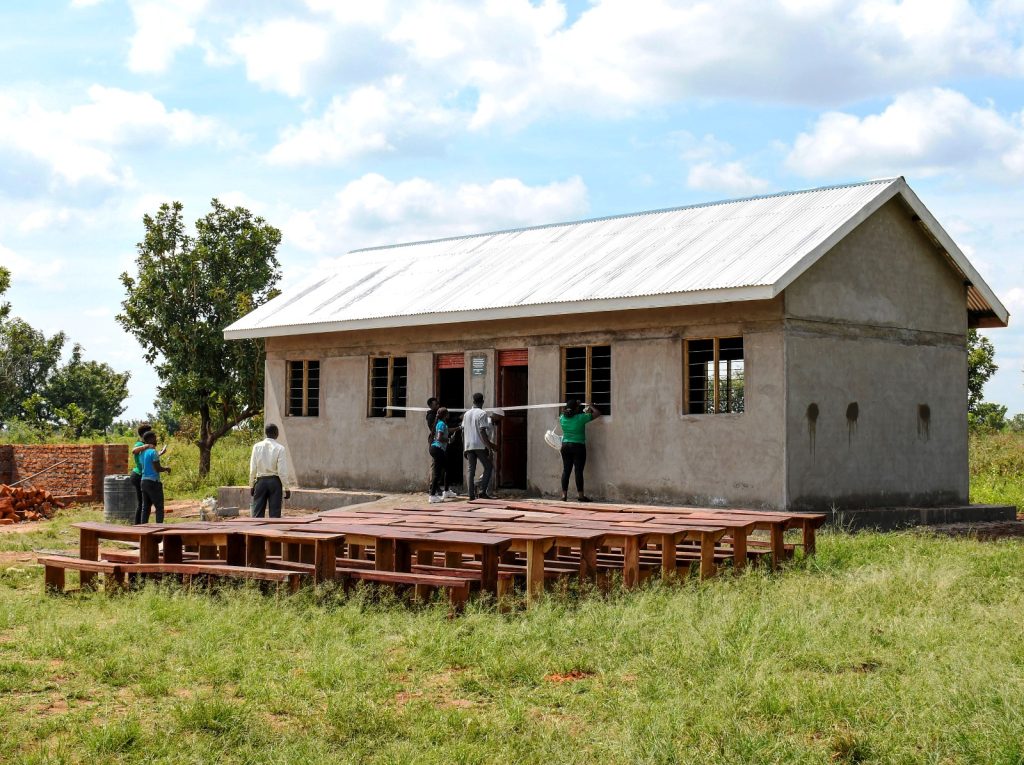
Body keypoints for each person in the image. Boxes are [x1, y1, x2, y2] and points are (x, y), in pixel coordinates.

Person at [249, 423, 297, 518]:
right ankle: (273, 531)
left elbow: (253, 469)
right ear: (276, 433)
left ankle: (255, 531)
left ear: (266, 433)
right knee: (275, 514)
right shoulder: (280, 448)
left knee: (257, 513)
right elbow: (282, 471)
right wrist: (286, 488)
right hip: (275, 482)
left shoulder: (256, 447)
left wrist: (251, 485)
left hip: (260, 482)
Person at [559, 399, 602, 502]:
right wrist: (590, 406)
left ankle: (563, 495)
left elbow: (564, 412)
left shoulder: (562, 418)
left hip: (565, 446)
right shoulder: (581, 418)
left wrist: (573, 406)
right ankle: (581, 496)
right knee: (578, 471)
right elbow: (598, 413)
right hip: (578, 446)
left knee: (566, 470)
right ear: (576, 409)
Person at [463, 392, 501, 500]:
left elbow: (463, 431)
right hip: (479, 445)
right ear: (482, 401)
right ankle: (482, 491)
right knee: (488, 467)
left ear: (473, 401)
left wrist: (465, 448)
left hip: (469, 445)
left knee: (471, 470)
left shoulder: (466, 414)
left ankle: (470, 495)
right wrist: (489, 447)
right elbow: (482, 431)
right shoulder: (482, 413)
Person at [429, 407, 460, 503]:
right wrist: (449, 440)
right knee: (437, 473)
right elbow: (439, 438)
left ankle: (446, 491)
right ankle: (432, 495)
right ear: (445, 415)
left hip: (437, 449)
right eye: (448, 413)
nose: (449, 415)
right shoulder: (442, 424)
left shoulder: (442, 424)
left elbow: (448, 430)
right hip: (437, 449)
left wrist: (459, 428)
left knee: (447, 469)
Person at [139, 431, 171, 523]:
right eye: (154, 438)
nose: (156, 439)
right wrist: (166, 469)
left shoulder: (142, 452)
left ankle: (143, 529)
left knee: (145, 508)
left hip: (144, 481)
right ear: (149, 439)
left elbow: (146, 463)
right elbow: (157, 468)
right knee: (159, 507)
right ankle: (159, 531)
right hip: (153, 482)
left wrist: (160, 453)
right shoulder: (153, 452)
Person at [130, 423, 151, 524]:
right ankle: (138, 525)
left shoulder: (147, 445)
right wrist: (146, 446)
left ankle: (143, 524)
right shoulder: (140, 444)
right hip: (138, 475)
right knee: (142, 503)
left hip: (144, 475)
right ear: (144, 434)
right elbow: (134, 451)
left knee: (146, 502)